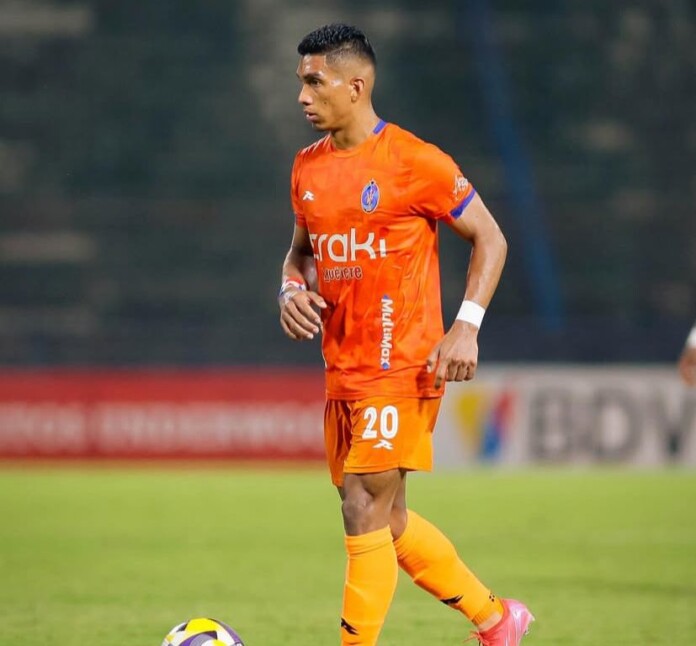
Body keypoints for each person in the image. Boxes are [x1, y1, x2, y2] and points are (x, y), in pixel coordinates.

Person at [278, 23, 533, 646]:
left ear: (356, 85)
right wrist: (289, 289)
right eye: (301, 82)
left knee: (361, 504)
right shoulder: (307, 167)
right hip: (343, 366)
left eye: (315, 82)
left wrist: (466, 327)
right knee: (386, 519)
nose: (303, 96)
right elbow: (301, 253)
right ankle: (497, 621)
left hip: (404, 363)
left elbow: (491, 237)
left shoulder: (416, 161)